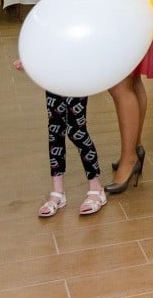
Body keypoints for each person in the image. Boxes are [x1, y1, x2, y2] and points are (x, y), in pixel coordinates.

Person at [12, 60, 106, 217]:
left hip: (79, 71)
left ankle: (96, 188)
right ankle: (57, 192)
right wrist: (31, 58)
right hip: (53, 72)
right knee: (55, 129)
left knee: (77, 130)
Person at [105, 38, 153, 195]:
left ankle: (130, 158)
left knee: (118, 85)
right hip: (135, 21)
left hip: (129, 21)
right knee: (132, 80)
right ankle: (133, 148)